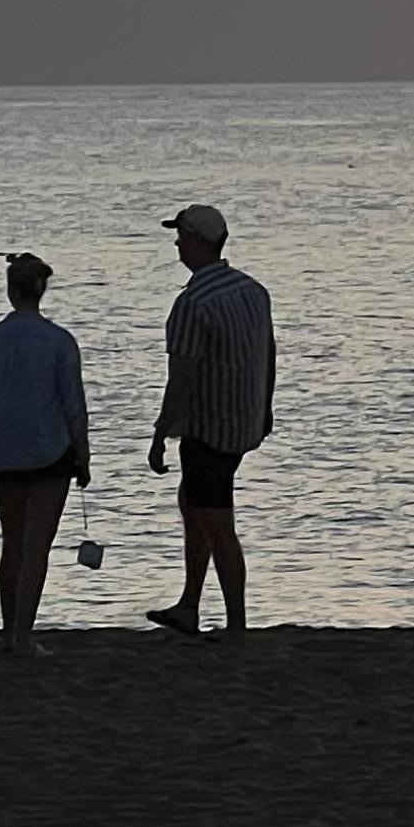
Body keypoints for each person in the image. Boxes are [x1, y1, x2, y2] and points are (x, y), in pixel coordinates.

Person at [147, 203, 276, 637]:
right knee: (194, 503)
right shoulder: (252, 290)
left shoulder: (192, 303)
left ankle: (236, 623)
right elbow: (268, 354)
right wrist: (266, 408)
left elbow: (179, 377)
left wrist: (161, 432)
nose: (178, 243)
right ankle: (189, 603)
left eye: (182, 236)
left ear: (200, 243)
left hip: (209, 428)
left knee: (217, 522)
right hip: (244, 422)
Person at [0, 253, 91, 655]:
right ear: (42, 290)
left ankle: (10, 632)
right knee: (36, 545)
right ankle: (23, 635)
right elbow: (73, 404)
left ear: (10, 290)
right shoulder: (59, 341)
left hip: (3, 451)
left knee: (13, 543)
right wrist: (83, 454)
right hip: (49, 451)